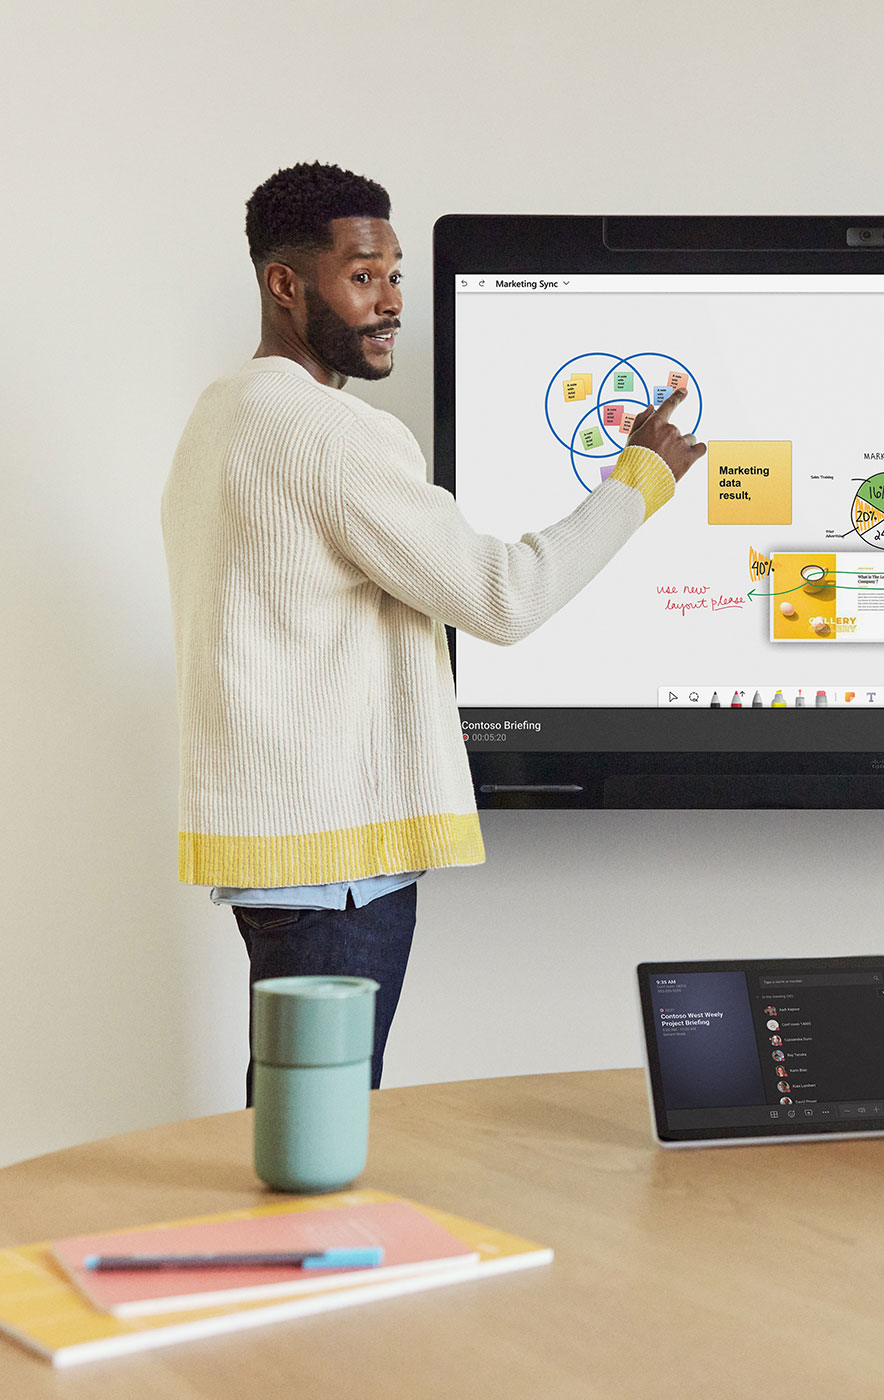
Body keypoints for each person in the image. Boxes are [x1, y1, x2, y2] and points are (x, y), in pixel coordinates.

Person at [161, 163, 706, 1098]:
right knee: (317, 1126)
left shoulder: (222, 414)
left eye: (396, 274)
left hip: (276, 856)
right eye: (362, 275)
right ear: (284, 285)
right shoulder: (331, 435)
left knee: (293, 1110)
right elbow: (505, 595)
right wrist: (639, 481)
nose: (390, 303)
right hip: (340, 866)